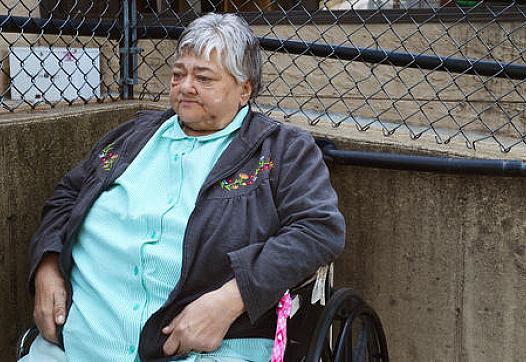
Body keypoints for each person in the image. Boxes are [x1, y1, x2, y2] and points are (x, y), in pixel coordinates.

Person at [24, 12, 345, 362]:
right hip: (76, 344)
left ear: (244, 89)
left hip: (205, 351)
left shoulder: (282, 150)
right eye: (179, 74)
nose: (186, 86)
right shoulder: (132, 136)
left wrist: (231, 299)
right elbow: (67, 196)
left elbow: (318, 229)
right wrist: (48, 266)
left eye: (204, 78)